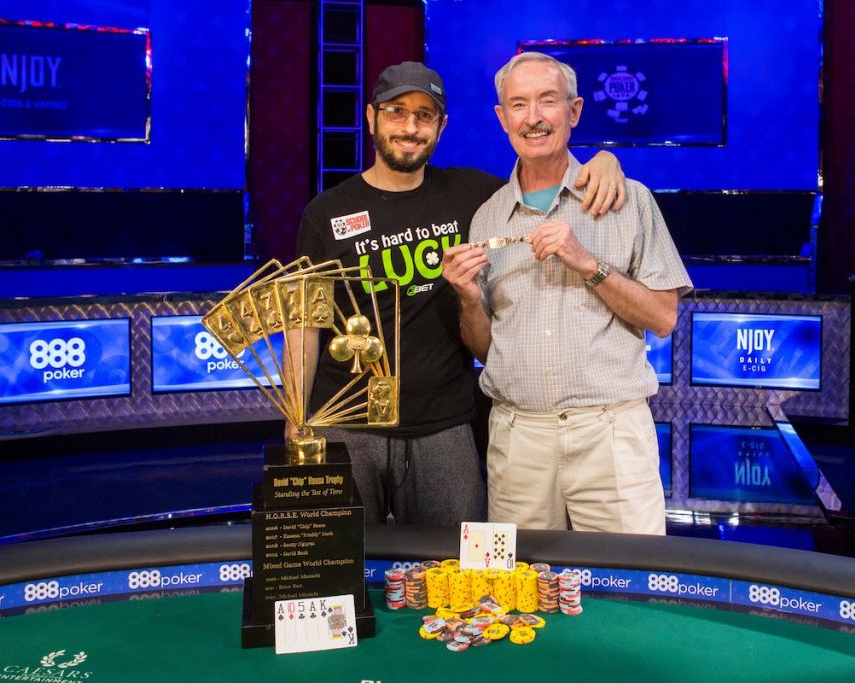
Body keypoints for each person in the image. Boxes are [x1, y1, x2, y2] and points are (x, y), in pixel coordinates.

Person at [289, 61, 627, 526]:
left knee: (453, 574)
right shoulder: (325, 214)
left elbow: (541, 180)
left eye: (425, 116)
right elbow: (303, 326)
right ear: (371, 119)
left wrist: (603, 160)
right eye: (396, 112)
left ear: (441, 126)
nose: (410, 128)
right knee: (342, 571)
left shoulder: (471, 195)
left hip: (445, 425)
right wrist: (295, 419)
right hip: (346, 425)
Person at [442, 52, 693, 535]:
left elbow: (663, 318)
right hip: (519, 441)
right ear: (502, 118)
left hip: (611, 436)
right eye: (518, 104)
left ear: (574, 111)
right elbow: (486, 348)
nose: (533, 117)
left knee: (627, 589)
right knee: (520, 597)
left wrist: (589, 265)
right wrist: (469, 299)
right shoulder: (488, 218)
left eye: (547, 101)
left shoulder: (628, 199)